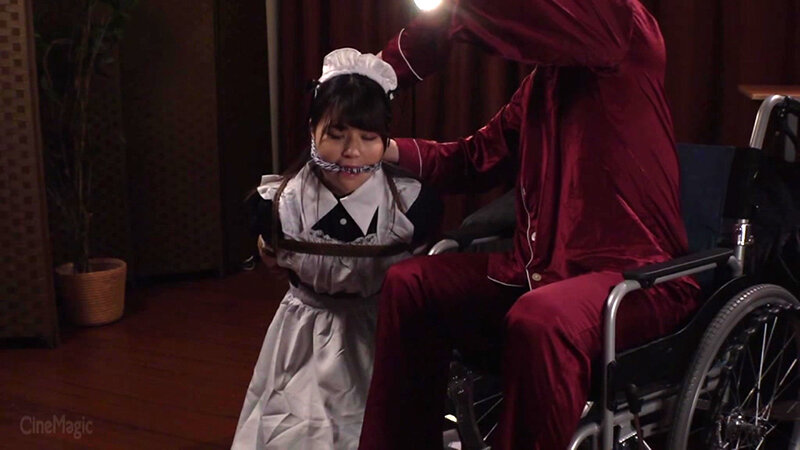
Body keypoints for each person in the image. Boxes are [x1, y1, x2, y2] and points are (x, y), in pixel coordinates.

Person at [358, 1, 700, 449]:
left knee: (541, 318)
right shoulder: (541, 86)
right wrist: (385, 149)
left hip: (637, 280)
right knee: (411, 283)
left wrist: (403, 55)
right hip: (539, 270)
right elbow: (474, 159)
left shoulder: (625, 23)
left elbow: (533, 18)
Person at [231, 47, 440, 450]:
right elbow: (272, 256)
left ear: (386, 139)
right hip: (304, 334)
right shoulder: (275, 205)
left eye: (368, 137)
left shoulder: (413, 206)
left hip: (380, 332)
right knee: (293, 428)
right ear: (312, 130)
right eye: (337, 134)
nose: (352, 151)